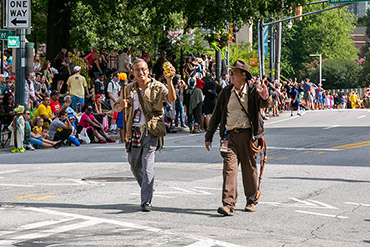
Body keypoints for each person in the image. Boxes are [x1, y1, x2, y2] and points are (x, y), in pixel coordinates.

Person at [204, 60, 270, 216]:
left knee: (249, 169)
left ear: (243, 75)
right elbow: (216, 115)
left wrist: (266, 97)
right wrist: (209, 135)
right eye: (231, 72)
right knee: (229, 169)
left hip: (248, 136)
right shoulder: (226, 92)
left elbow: (265, 104)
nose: (231, 75)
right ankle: (228, 204)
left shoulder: (253, 91)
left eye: (234, 72)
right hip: (230, 136)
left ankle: (251, 200)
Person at [113, 58, 176, 212]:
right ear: (132, 72)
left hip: (151, 129)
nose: (140, 72)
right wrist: (121, 105)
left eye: (143, 69)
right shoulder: (128, 88)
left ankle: (146, 200)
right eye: (137, 70)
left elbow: (171, 99)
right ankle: (147, 189)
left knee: (147, 163)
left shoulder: (157, 86)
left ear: (148, 70)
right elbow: (116, 107)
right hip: (133, 131)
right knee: (134, 165)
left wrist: (169, 81)